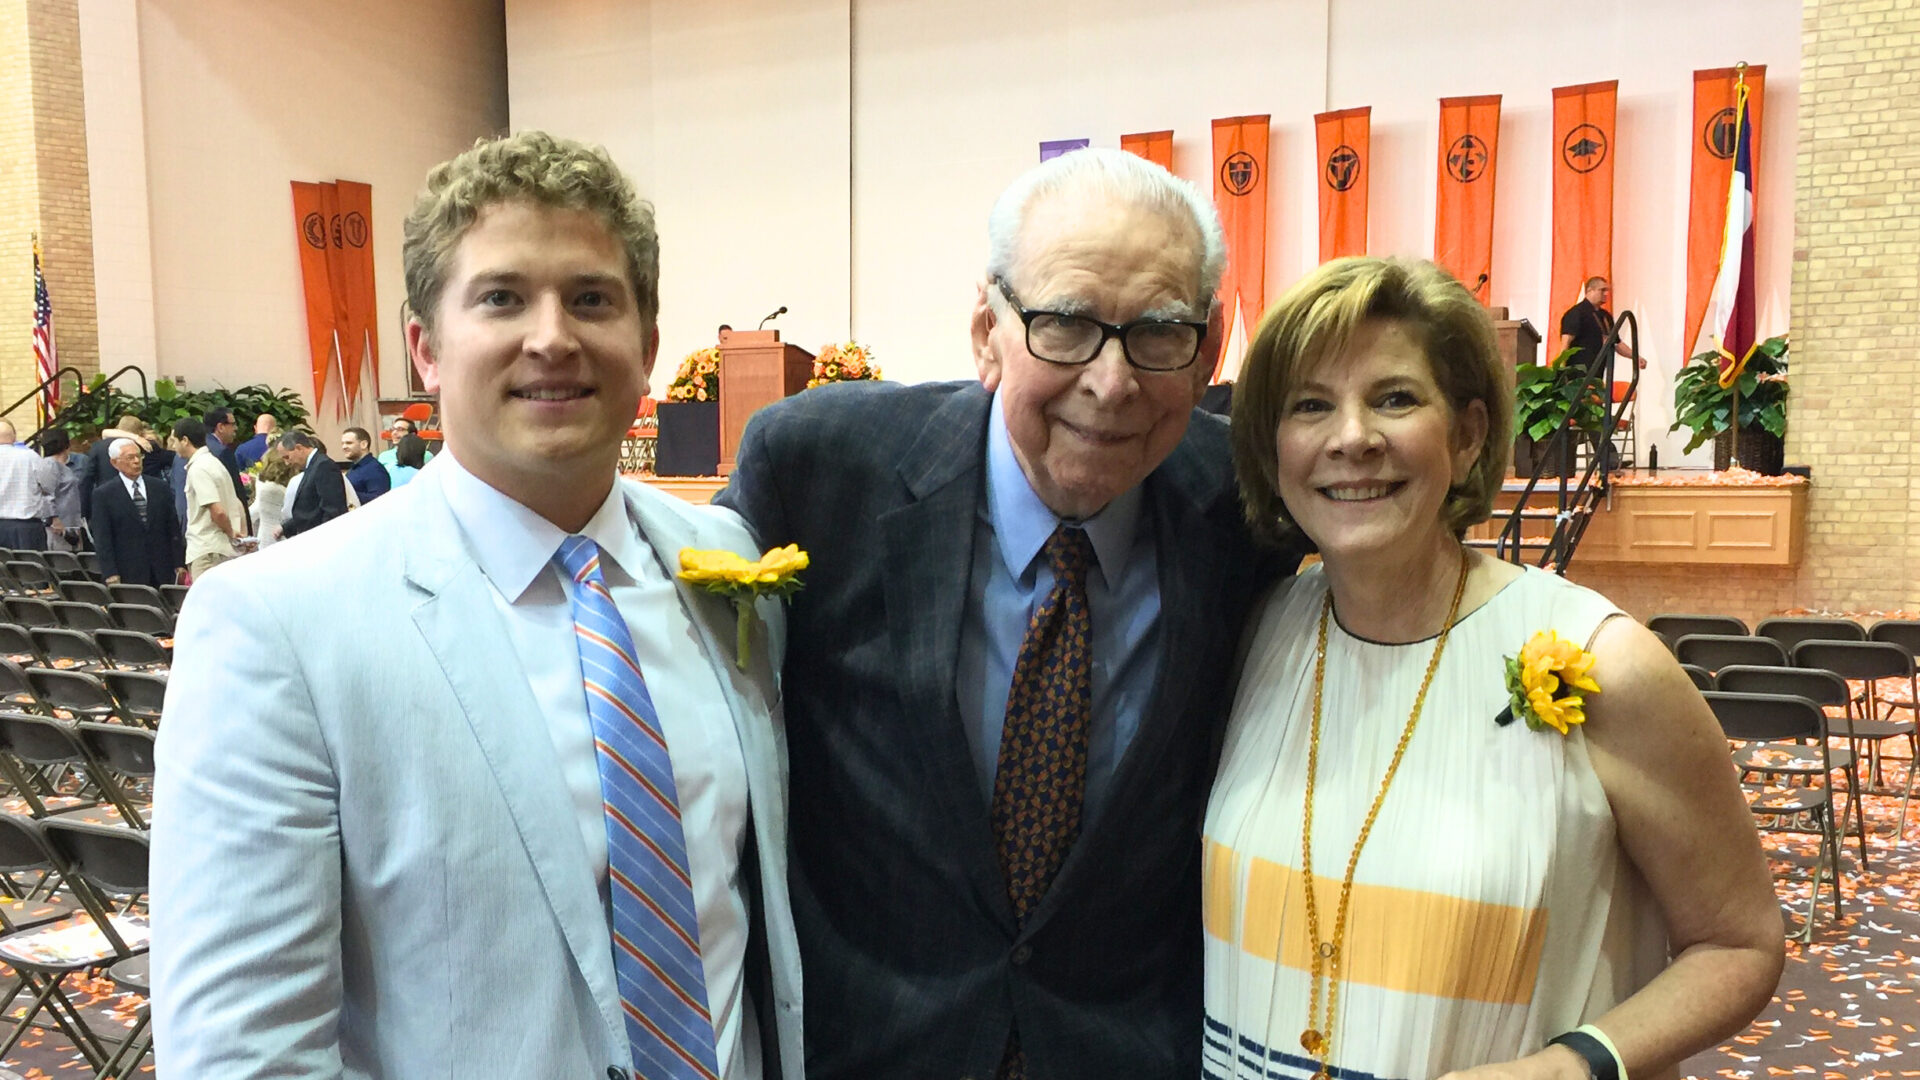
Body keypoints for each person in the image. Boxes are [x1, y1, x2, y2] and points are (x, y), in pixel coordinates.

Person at [153, 129, 803, 1080]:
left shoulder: (723, 559)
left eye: (592, 299)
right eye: (502, 297)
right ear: (425, 348)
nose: (553, 336)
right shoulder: (274, 627)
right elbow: (242, 1056)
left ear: (649, 346)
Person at [718, 148, 1295, 1080]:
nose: (1112, 384)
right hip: (871, 1050)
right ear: (988, 330)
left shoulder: (1245, 511)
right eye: (1064, 324)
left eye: (1158, 333)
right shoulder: (818, 473)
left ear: (1212, 342)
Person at [1206, 257, 1783, 1080]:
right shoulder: (1261, 634)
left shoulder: (1598, 663)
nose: (1352, 437)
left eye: (1395, 398)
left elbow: (1741, 942)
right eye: (1310, 405)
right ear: (1273, 445)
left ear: (1469, 433)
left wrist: (1572, 1066)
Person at [89, 437, 183, 586]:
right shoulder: (104, 494)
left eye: (139, 456)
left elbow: (172, 527)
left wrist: (179, 563)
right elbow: (102, 537)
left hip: (162, 569)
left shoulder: (159, 487)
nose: (136, 461)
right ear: (114, 462)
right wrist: (110, 572)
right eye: (130, 457)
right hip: (128, 570)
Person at [174, 418, 246, 581]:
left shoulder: (199, 468)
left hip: (207, 550)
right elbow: (237, 503)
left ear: (185, 440)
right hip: (218, 548)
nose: (172, 446)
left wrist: (231, 532)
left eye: (174, 440)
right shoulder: (215, 463)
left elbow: (218, 511)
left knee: (206, 603)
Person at [1557, 276, 1645, 370]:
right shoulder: (1576, 313)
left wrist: (1635, 357)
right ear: (1590, 290)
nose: (1606, 293)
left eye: (1607, 290)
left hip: (1597, 372)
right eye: (1602, 290)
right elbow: (1566, 342)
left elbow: (1616, 343)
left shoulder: (1606, 316)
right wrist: (1561, 370)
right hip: (1577, 373)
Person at [276, 430, 348, 537]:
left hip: (322, 538)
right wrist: (286, 527)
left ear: (299, 448)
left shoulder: (324, 466)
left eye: (287, 457)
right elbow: (311, 509)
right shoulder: (313, 466)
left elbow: (332, 510)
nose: (287, 463)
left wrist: (322, 538)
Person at [0, 419, 55, 551]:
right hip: (26, 528)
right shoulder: (30, 457)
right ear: (14, 436)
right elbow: (50, 486)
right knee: (29, 569)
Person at [34, 429, 82, 551]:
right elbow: (46, 493)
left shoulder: (61, 466)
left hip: (71, 522)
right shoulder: (49, 465)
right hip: (59, 526)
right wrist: (54, 519)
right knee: (63, 564)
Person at [248, 452, 295, 550]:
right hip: (284, 535)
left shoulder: (263, 485)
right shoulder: (288, 488)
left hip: (265, 535)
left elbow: (255, 511)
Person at [340, 426, 391, 504]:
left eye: (349, 443)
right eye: (342, 443)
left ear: (363, 444)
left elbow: (380, 500)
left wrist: (347, 494)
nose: (344, 447)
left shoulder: (375, 469)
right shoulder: (354, 468)